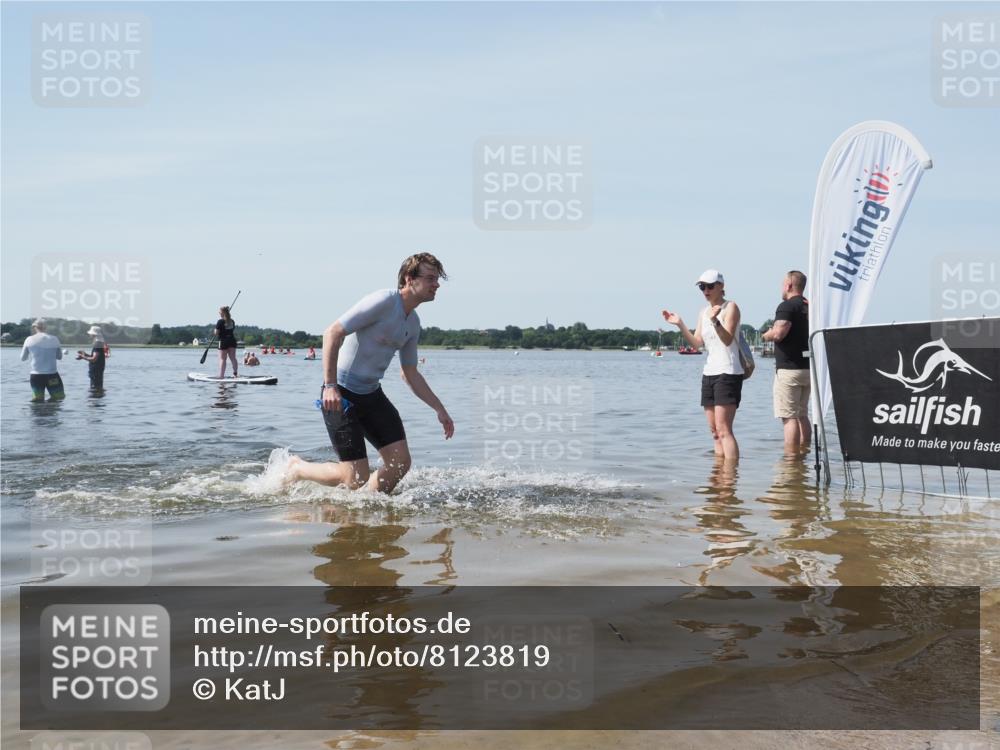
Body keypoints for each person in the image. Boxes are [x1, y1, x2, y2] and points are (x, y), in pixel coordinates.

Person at [287, 252, 455, 493]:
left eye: (437, 279)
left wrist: (439, 409)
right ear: (409, 278)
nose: (436, 284)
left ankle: (368, 504)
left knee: (400, 463)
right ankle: (298, 468)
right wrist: (330, 386)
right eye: (430, 278)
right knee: (354, 477)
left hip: (371, 395)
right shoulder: (384, 301)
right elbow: (332, 332)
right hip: (341, 392)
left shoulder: (413, 323)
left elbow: (409, 373)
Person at [662, 269, 743, 461]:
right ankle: (718, 476)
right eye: (702, 287)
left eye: (710, 286)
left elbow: (727, 339)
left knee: (724, 430)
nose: (705, 290)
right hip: (709, 372)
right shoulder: (703, 312)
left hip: (728, 371)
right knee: (715, 432)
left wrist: (715, 320)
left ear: (721, 286)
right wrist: (680, 324)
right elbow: (697, 343)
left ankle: (730, 479)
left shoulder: (731, 307)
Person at [762, 270, 811, 454]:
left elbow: (779, 333)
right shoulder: (809, 305)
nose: (782, 287)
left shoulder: (787, 306)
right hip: (808, 368)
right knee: (802, 414)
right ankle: (804, 453)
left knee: (789, 417)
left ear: (789, 284)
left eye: (783, 283)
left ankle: (792, 460)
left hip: (789, 369)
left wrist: (766, 335)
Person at [20, 318, 65, 402]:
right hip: (52, 375)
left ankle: (39, 413)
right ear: (46, 327)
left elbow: (23, 358)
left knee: (37, 400)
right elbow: (59, 357)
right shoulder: (54, 339)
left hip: (36, 376)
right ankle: (50, 410)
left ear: (35, 327)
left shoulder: (29, 339)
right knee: (59, 398)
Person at [76, 325, 108, 390]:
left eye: (91, 333)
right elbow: (95, 357)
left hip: (96, 372)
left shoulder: (97, 344)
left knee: (94, 390)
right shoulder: (99, 343)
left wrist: (83, 356)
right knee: (98, 389)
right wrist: (85, 354)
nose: (90, 335)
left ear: (94, 334)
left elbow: (94, 359)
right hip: (98, 371)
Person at [215, 306, 238, 378]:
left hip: (223, 341)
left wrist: (215, 331)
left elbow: (216, 332)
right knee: (233, 358)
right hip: (232, 340)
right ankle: (235, 374)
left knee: (223, 359)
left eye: (220, 312)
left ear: (223, 312)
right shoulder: (232, 321)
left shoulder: (220, 321)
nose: (219, 313)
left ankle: (221, 376)